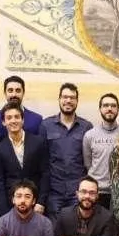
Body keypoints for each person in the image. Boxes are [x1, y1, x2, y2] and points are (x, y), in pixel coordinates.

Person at [42, 82, 93, 217]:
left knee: (76, 233)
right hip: (54, 192)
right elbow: (41, 161)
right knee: (54, 232)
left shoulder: (87, 127)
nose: (68, 101)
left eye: (72, 97)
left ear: (77, 101)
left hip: (77, 192)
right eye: (65, 97)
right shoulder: (46, 125)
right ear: (59, 99)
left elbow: (89, 161)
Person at [0, 103, 50, 216]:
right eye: (9, 118)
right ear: (3, 122)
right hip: (11, 205)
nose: (13, 121)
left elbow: (45, 173)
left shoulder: (38, 142)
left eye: (17, 117)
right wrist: (4, 210)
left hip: (35, 203)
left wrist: (41, 202)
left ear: (23, 120)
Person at [82, 93, 119, 209]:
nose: (109, 109)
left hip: (118, 192)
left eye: (113, 106)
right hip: (96, 192)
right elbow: (88, 164)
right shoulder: (90, 135)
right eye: (106, 105)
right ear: (100, 109)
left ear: (118, 110)